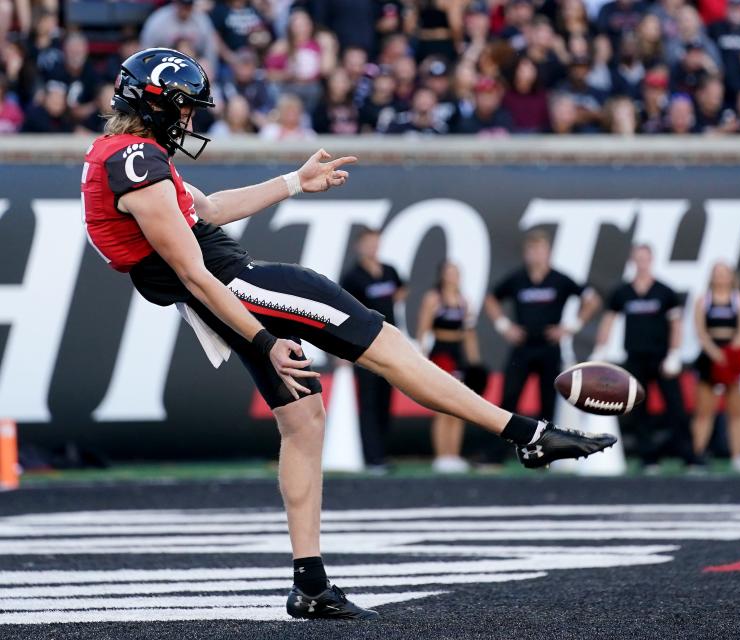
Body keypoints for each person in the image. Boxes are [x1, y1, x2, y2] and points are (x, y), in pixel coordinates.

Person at [81, 47, 616, 621]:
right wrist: (264, 338)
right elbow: (195, 271)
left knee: (304, 419)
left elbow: (206, 207)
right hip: (235, 286)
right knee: (387, 349)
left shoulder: (119, 155)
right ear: (158, 104)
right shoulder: (134, 162)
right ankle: (527, 433)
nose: (190, 121)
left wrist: (292, 182)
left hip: (221, 294)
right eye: (185, 109)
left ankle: (309, 584)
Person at [483, 230, 601, 465]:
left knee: (548, 403)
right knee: (509, 399)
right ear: (526, 254)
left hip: (549, 348)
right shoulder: (517, 279)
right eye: (532, 250)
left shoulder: (560, 279)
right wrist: (504, 326)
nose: (536, 255)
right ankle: (496, 455)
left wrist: (571, 326)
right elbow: (490, 298)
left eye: (540, 250)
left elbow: (592, 299)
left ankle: (547, 454)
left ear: (549, 253)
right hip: (523, 348)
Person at [594, 244, 699, 471]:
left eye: (645, 259)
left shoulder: (665, 291)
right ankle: (648, 458)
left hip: (661, 359)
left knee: (676, 408)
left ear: (651, 260)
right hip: (635, 358)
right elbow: (608, 321)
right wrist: (600, 350)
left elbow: (676, 324)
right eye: (637, 259)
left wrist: (673, 354)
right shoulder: (622, 292)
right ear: (633, 261)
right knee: (639, 410)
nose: (641, 263)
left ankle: (689, 457)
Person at [340, 227, 406, 473]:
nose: (374, 248)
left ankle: (383, 453)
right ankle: (372, 457)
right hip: (366, 345)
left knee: (385, 400)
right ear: (359, 246)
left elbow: (401, 288)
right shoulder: (352, 276)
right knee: (368, 401)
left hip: (390, 343)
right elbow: (345, 312)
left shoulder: (389, 270)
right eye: (369, 243)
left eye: (377, 243)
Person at [416, 261, 482, 473]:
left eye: (456, 273)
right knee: (443, 406)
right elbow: (423, 330)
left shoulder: (464, 301)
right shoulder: (434, 298)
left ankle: (454, 455)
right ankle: (441, 456)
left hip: (458, 352)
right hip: (441, 353)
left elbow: (469, 333)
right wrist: (421, 358)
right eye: (449, 273)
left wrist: (474, 362)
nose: (453, 277)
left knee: (459, 406)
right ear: (442, 276)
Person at [691, 262, 740, 473]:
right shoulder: (703, 301)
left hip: (733, 357)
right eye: (716, 273)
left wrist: (730, 354)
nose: (720, 277)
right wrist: (715, 354)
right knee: (704, 411)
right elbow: (701, 332)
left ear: (731, 277)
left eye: (724, 273)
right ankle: (697, 455)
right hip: (710, 357)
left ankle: (738, 455)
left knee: (736, 411)